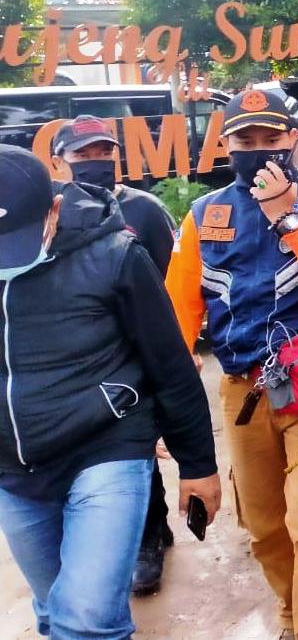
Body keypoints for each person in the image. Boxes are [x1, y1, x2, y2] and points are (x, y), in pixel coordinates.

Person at [166, 88, 298, 640]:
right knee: (264, 529)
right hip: (243, 391)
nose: (258, 151)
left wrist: (287, 220)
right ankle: (291, 609)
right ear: (225, 145)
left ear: (292, 139)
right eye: (244, 141)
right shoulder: (204, 215)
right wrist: (165, 402)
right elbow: (180, 312)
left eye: (271, 139)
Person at [0, 145, 219, 639]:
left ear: (53, 209)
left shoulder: (115, 256)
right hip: (15, 473)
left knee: (85, 619)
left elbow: (171, 366)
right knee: (56, 610)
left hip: (105, 449)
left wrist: (198, 465)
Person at [50, 116, 184, 595]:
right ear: (60, 161)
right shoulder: (51, 214)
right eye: (83, 155)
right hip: (80, 353)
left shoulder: (145, 210)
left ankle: (148, 536)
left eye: (103, 152)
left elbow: (173, 284)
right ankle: (148, 525)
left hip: (139, 349)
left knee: (135, 440)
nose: (95, 162)